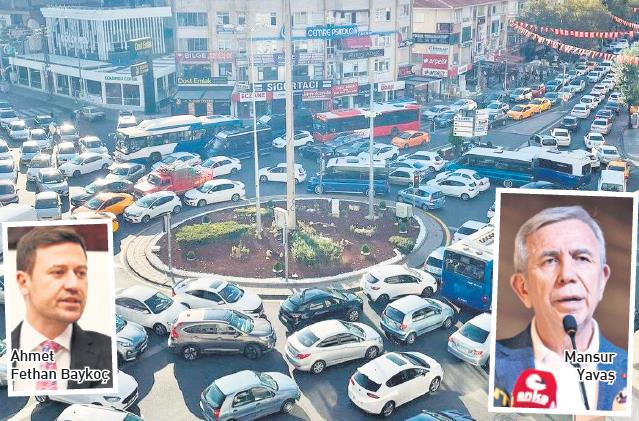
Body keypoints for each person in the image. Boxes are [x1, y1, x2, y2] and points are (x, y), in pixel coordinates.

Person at [494, 206, 628, 412]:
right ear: (523, 289)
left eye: (582, 258)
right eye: (550, 260)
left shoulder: (626, 372)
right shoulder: (496, 365)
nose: (567, 275)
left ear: (602, 280)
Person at [11, 227, 113, 392]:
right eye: (58, 272)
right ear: (24, 282)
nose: (74, 284)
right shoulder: (7, 356)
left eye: (80, 272)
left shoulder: (105, 349)